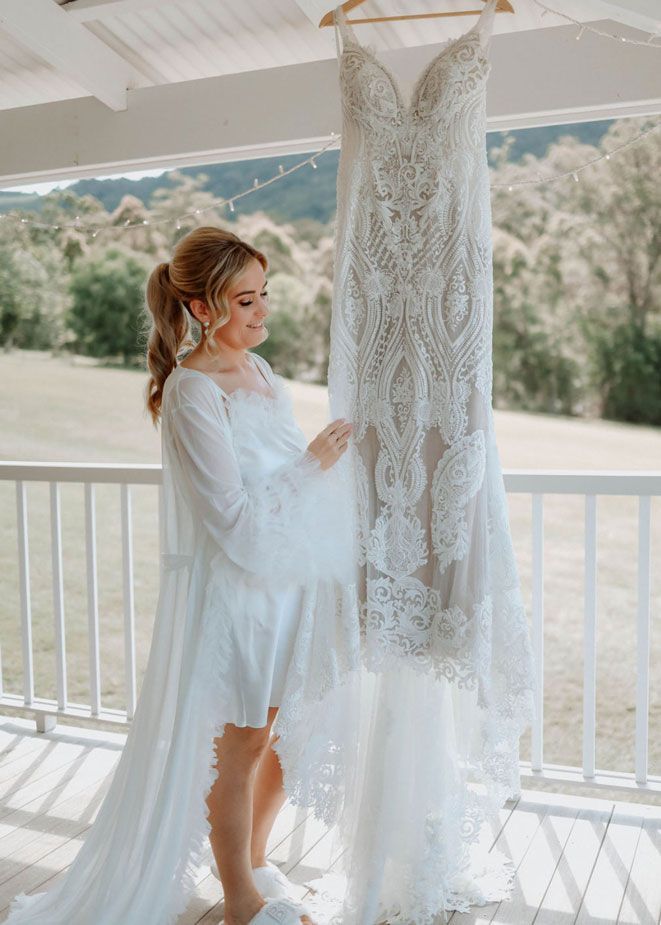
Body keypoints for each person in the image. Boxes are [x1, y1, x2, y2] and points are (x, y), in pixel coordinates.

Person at [4, 225, 362, 925]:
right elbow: (228, 517)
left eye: (265, 296)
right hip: (237, 592)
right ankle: (239, 903)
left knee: (280, 737)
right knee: (239, 745)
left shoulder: (262, 374)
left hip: (286, 581)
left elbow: (281, 484)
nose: (263, 313)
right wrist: (313, 462)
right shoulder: (192, 392)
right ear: (202, 309)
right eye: (246, 300)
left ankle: (256, 860)